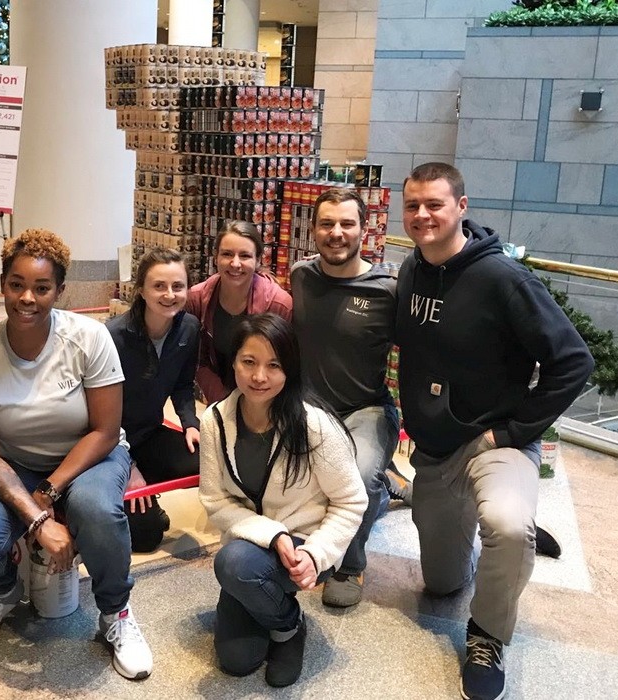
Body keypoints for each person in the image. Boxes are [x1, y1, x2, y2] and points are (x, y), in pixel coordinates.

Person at [395, 162, 593, 700]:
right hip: (435, 452)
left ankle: (487, 635)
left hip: (492, 444)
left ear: (462, 207)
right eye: (412, 205)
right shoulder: (412, 270)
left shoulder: (503, 278)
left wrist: (511, 431)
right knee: (443, 584)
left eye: (435, 204)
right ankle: (506, 536)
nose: (422, 215)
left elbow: (573, 361)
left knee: (507, 527)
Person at [0, 228, 153, 680]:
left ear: (59, 291)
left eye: (42, 288)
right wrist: (39, 520)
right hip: (14, 462)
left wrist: (48, 491)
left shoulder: (89, 337)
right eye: (17, 284)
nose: (27, 298)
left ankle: (115, 612)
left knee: (97, 510)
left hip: (91, 455)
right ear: (2, 285)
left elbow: (105, 430)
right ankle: (1, 592)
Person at [200, 313, 367, 688]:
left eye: (274, 365)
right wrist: (271, 535)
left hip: (304, 546)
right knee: (237, 661)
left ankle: (287, 630)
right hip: (250, 547)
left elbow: (351, 502)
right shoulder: (215, 421)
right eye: (249, 361)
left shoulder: (313, 425)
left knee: (234, 564)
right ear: (233, 362)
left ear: (289, 370)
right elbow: (214, 499)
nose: (259, 376)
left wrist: (316, 553)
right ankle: (284, 616)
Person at [289, 187, 404, 609]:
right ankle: (387, 487)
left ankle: (350, 564)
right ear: (313, 229)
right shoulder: (301, 276)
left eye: (346, 224)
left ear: (364, 229)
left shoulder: (388, 288)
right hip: (309, 410)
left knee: (357, 479)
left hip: (366, 409)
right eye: (326, 224)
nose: (336, 232)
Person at [107, 247, 200, 553]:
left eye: (178, 286)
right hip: (110, 443)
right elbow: (99, 416)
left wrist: (190, 424)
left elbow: (183, 385)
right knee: (147, 538)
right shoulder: (113, 337)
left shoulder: (189, 328)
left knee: (202, 461)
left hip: (148, 433)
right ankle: (125, 497)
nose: (169, 295)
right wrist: (128, 466)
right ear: (141, 290)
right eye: (159, 286)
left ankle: (142, 494)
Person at [185, 220, 292, 404]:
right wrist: (226, 404)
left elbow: (283, 366)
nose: (235, 263)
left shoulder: (279, 305)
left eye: (245, 256)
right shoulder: (196, 299)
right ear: (215, 257)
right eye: (227, 254)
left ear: (258, 260)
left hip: (266, 401)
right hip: (219, 400)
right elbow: (198, 360)